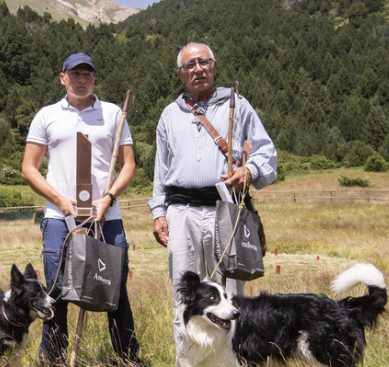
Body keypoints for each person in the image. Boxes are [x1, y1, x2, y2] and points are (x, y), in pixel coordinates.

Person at [148, 42, 277, 366]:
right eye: (190, 65)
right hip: (181, 214)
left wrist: (250, 169)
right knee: (185, 296)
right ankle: (188, 361)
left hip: (226, 209)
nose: (197, 69)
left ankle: (232, 360)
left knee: (231, 295)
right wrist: (159, 212)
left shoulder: (238, 105)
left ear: (214, 66)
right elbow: (161, 170)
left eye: (203, 62)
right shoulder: (169, 114)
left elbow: (266, 152)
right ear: (180, 74)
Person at [21, 52, 141, 366]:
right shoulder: (47, 115)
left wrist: (109, 198)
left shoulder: (114, 113)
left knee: (114, 289)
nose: (82, 79)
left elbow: (129, 166)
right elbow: (29, 168)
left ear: (95, 78)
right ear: (63, 77)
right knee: (57, 290)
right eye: (75, 73)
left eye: (88, 73)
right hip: (60, 218)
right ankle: (53, 359)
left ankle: (129, 358)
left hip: (107, 217)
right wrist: (60, 200)